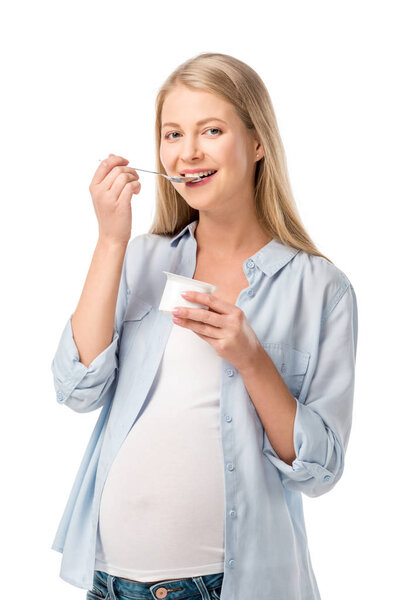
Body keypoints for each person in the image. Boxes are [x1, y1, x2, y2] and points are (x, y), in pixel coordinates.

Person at [50, 52, 358, 600]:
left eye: (211, 130)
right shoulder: (140, 259)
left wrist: (251, 358)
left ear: (258, 141)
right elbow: (76, 387)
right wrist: (111, 241)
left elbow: (320, 470)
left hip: (228, 588)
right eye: (172, 134)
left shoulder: (320, 289)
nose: (187, 151)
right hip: (109, 581)